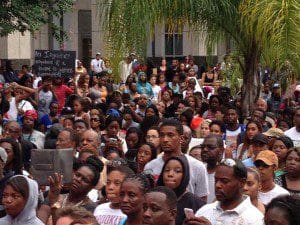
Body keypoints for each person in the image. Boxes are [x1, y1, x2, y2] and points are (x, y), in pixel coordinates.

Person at [144, 118, 208, 201]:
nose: (165, 140)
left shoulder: (197, 166)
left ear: (181, 139)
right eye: (162, 135)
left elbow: (201, 201)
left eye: (170, 135)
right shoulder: (150, 167)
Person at [185, 159, 264, 225]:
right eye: (216, 180)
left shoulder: (255, 219)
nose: (218, 185)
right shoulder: (204, 211)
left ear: (242, 183)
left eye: (224, 181)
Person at [48, 156, 104, 223]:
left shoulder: (91, 209)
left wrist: (54, 201)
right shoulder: (56, 196)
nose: (78, 180)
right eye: (77, 175)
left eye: (85, 180)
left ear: (92, 187)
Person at [157, 156, 205, 225]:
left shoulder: (196, 203)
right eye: (167, 170)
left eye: (177, 171)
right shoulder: (154, 197)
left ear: (185, 175)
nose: (170, 174)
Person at [200, 134, 224, 203]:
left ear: (221, 150)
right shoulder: (199, 169)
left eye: (210, 147)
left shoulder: (227, 173)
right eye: (202, 147)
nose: (205, 150)